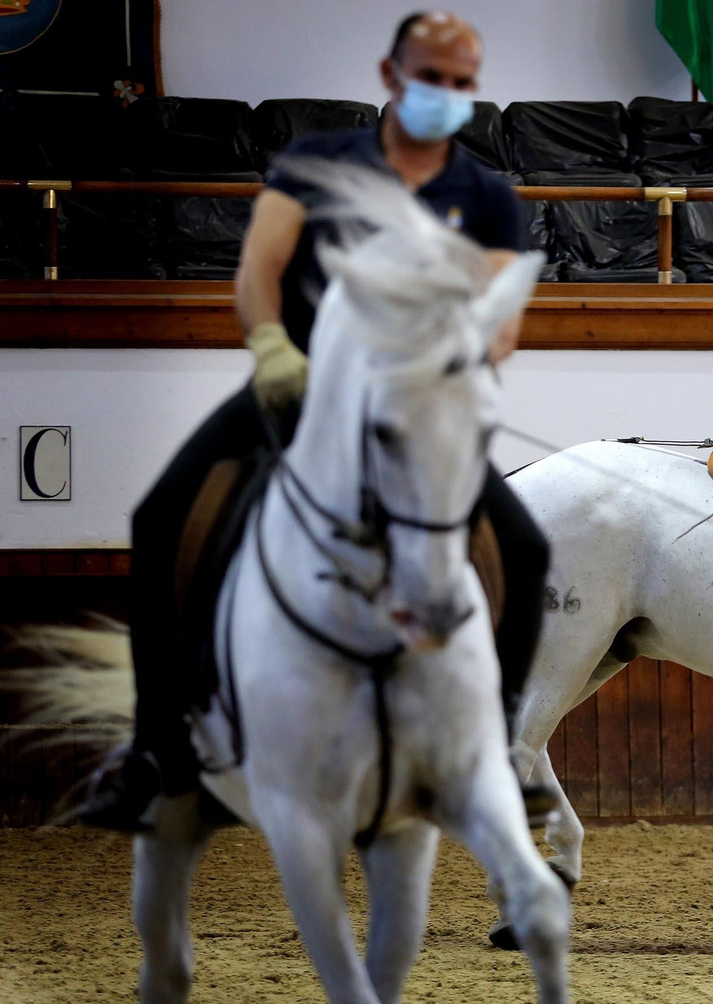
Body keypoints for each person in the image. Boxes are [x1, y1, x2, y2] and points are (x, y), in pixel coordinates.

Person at [79, 10, 549, 830]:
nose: (445, 94)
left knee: (528, 545)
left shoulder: (485, 196)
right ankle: (157, 749)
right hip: (294, 385)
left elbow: (499, 322)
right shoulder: (316, 163)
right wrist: (269, 345)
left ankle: (503, 748)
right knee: (159, 517)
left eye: (461, 83)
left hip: (410, 412)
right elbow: (258, 271)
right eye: (430, 77)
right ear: (391, 75)